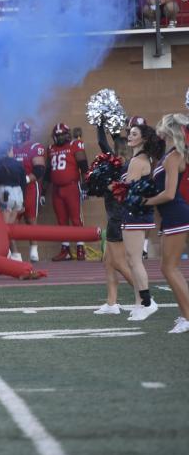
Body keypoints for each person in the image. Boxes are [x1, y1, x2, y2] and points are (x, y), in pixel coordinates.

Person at [143, 113, 189, 333]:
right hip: (170, 216)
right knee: (168, 268)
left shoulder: (174, 157)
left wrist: (146, 201)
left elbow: (170, 193)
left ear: (168, 129)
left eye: (161, 125)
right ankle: (185, 315)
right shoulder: (168, 155)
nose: (157, 130)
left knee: (170, 268)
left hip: (176, 214)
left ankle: (188, 316)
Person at [119, 117, 162, 321]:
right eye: (130, 133)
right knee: (131, 259)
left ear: (143, 139)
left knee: (135, 260)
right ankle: (139, 303)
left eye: (134, 134)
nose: (130, 136)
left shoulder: (137, 161)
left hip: (135, 214)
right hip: (137, 214)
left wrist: (111, 186)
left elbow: (126, 190)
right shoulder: (143, 159)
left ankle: (147, 302)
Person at [91, 124, 136, 315]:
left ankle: (145, 295)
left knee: (117, 262)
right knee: (109, 261)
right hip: (116, 216)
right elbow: (111, 141)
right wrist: (113, 125)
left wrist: (100, 122)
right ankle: (111, 303)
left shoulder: (121, 166)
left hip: (118, 218)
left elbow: (102, 141)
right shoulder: (127, 163)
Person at [47, 123, 89, 261]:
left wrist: (85, 186)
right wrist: (42, 191)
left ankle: (80, 248)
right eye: (57, 135)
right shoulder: (51, 148)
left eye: (61, 135)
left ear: (67, 134)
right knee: (61, 220)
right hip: (56, 188)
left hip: (71, 187)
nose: (59, 137)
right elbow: (48, 171)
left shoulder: (75, 144)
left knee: (76, 219)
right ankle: (65, 250)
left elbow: (83, 166)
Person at [10, 120, 46, 262]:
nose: (16, 137)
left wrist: (24, 180)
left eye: (18, 134)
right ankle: (15, 253)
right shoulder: (11, 147)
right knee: (12, 221)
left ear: (25, 134)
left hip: (30, 186)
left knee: (30, 219)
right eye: (14, 134)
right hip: (14, 188)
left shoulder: (35, 147)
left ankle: (34, 250)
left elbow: (39, 170)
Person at [0, 142, 26, 225]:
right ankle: (10, 238)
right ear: (8, 151)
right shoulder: (18, 164)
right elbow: (23, 183)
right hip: (18, 194)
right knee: (11, 224)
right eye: (12, 150)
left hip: (4, 193)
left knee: (5, 225)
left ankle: (4, 238)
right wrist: (24, 202)